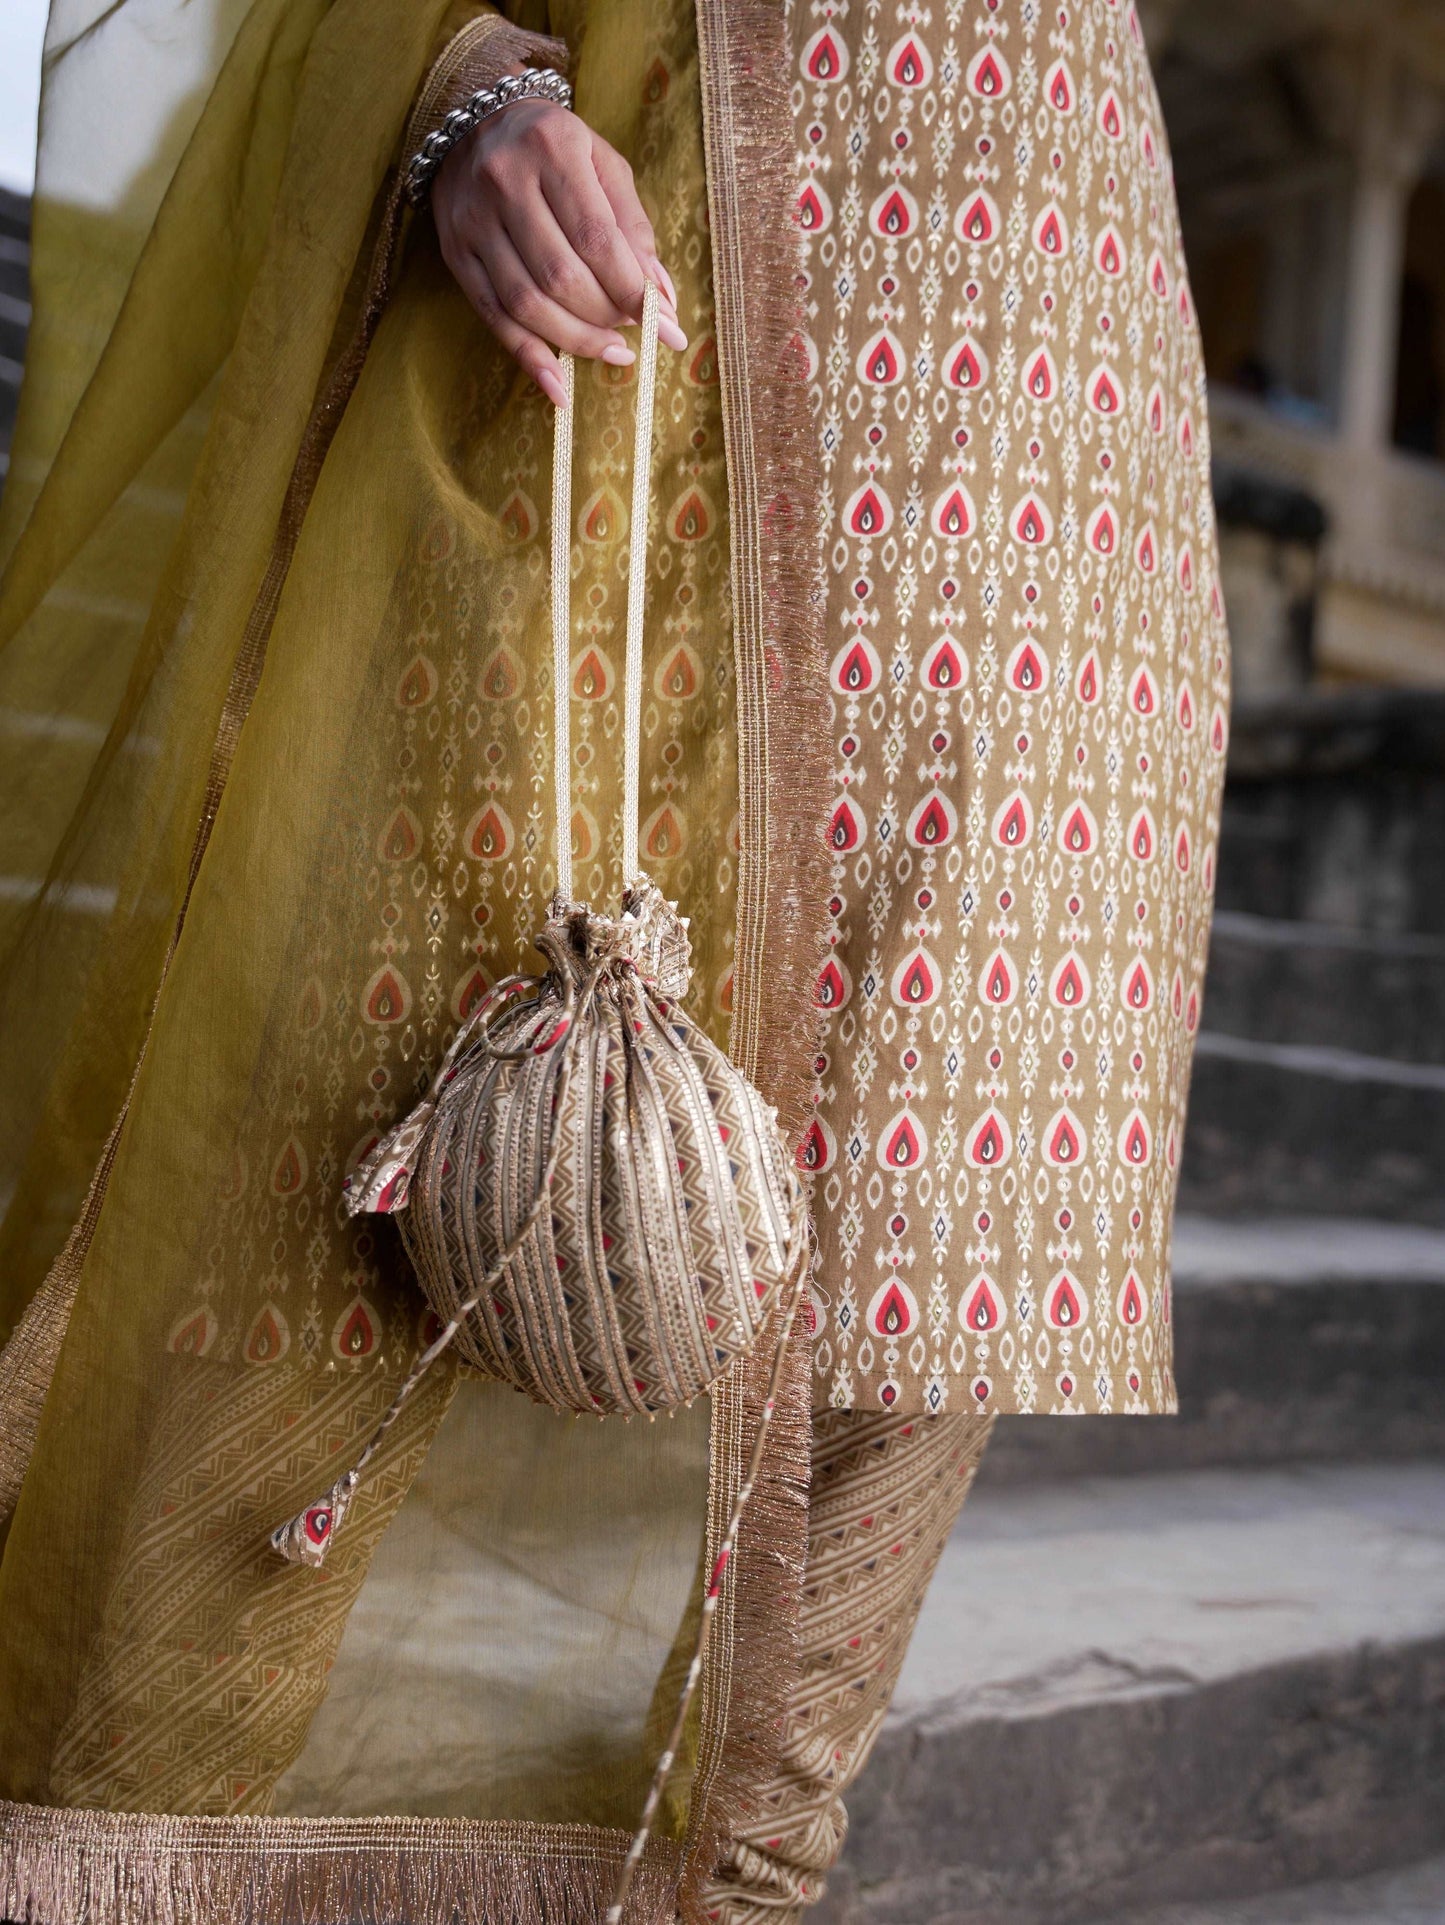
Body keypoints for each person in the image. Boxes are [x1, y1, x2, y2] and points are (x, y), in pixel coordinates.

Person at [0, 2, 1228, 1920]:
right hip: (619, 368)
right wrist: (463, 86)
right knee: (348, 1229)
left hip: (1049, 448)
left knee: (914, 1301)